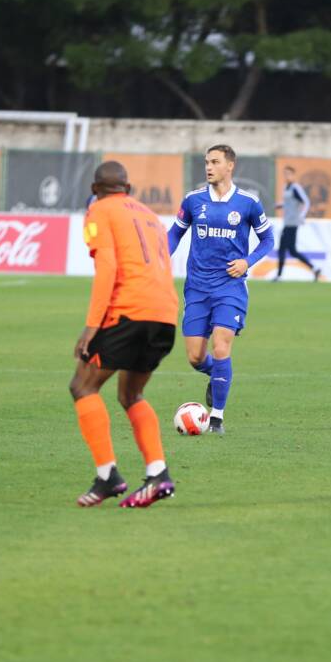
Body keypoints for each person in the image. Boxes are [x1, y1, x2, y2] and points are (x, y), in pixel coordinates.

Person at [69, 161, 179, 508]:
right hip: (165, 314)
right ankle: (158, 474)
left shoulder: (100, 210)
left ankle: (108, 476)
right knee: (131, 394)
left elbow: (107, 267)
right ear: (128, 188)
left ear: (94, 189)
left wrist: (92, 326)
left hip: (129, 312)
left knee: (82, 385)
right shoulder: (151, 217)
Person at [168, 144, 275, 435]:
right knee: (195, 357)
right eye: (207, 162)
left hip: (230, 287)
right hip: (197, 287)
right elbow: (175, 233)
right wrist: (159, 257)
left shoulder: (248, 203)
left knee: (221, 346)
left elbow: (268, 240)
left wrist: (247, 261)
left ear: (230, 166)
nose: (208, 167)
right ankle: (217, 375)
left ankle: (216, 417)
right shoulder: (193, 200)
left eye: (215, 162)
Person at [273, 166, 320, 281]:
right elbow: (289, 203)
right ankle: (315, 268)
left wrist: (302, 216)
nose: (287, 176)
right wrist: (280, 205)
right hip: (287, 222)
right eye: (285, 174)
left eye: (289, 174)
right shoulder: (286, 187)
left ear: (293, 175)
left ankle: (279, 275)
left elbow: (306, 201)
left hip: (292, 223)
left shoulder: (296, 188)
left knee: (283, 249)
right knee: (292, 251)